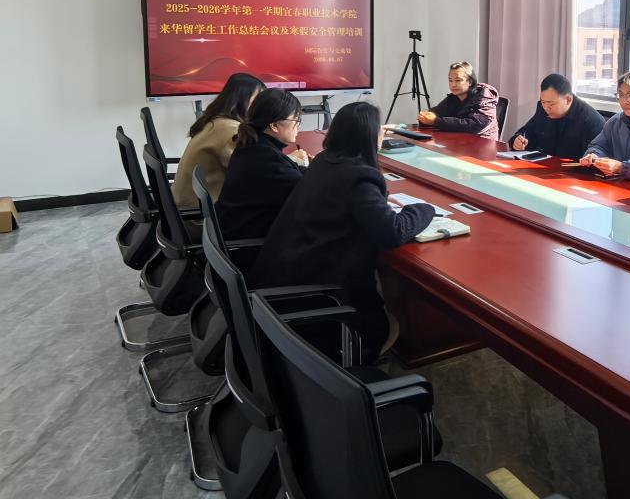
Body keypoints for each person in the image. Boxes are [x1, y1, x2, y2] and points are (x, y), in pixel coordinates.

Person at [246, 101, 434, 362]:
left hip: (282, 284)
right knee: (379, 325)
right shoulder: (360, 177)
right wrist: (424, 209)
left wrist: (377, 199)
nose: (382, 136)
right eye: (379, 131)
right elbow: (391, 232)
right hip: (319, 303)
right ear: (368, 137)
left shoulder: (324, 161)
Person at [215, 89, 309, 240]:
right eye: (296, 121)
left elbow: (293, 174)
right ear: (275, 126)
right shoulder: (267, 160)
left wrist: (317, 168)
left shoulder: (253, 145)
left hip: (234, 231)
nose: (298, 127)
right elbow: (308, 192)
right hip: (249, 245)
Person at [172, 72, 265, 210]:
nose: (262, 106)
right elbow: (252, 172)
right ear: (242, 99)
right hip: (197, 216)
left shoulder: (215, 121)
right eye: (258, 100)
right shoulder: (230, 130)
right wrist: (290, 161)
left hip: (184, 207)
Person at [509, 73, 606, 160]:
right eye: (543, 102)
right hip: (543, 166)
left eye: (551, 104)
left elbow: (593, 160)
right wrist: (518, 141)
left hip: (570, 172)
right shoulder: (544, 109)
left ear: (568, 99)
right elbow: (528, 132)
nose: (546, 108)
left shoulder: (591, 121)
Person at [418, 61, 499, 139]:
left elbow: (474, 125)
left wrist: (436, 121)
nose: (453, 85)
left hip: (483, 143)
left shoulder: (485, 96)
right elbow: (436, 112)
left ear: (470, 82)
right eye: (450, 80)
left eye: (458, 80)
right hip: (460, 141)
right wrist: (424, 118)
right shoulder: (454, 97)